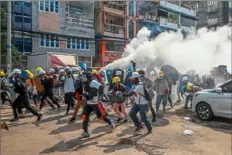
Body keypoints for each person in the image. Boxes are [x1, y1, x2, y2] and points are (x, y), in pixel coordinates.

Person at [80, 73, 115, 138]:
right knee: (84, 116)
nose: (82, 78)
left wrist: (99, 97)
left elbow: (101, 87)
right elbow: (84, 92)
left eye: (83, 76)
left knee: (100, 116)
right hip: (88, 103)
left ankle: (110, 121)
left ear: (87, 77)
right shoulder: (84, 83)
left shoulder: (93, 82)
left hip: (94, 103)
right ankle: (85, 132)